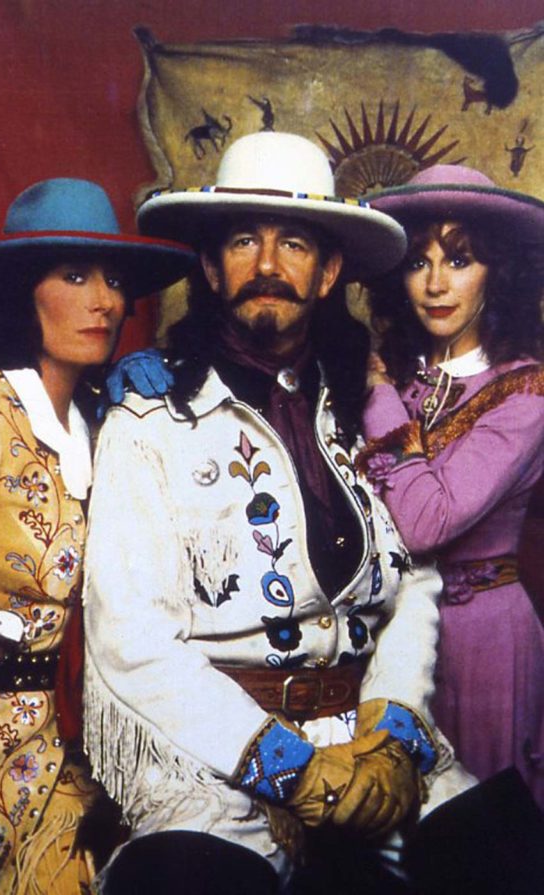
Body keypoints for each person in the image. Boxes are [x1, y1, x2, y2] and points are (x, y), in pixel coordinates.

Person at [82, 132, 506, 895]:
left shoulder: (368, 409)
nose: (268, 265)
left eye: (295, 244)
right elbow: (130, 636)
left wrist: (389, 731)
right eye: (244, 241)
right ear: (212, 266)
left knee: (509, 854)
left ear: (328, 271)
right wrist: (293, 768)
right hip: (216, 755)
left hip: (366, 738)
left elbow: (415, 580)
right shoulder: (148, 418)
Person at [0, 177, 193, 894]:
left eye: (114, 280)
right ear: (23, 292)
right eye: (76, 277)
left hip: (83, 751)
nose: (105, 301)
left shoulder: (104, 425)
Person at [359, 164, 544, 809]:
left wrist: (376, 396)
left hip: (483, 640)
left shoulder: (526, 390)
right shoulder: (395, 371)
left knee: (479, 824)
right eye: (419, 262)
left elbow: (426, 523)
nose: (436, 284)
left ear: (499, 272)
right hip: (386, 634)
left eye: (459, 260)